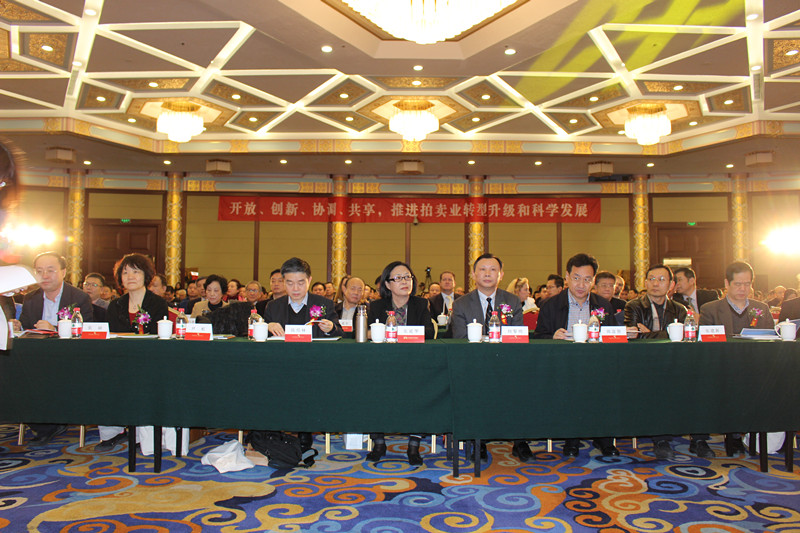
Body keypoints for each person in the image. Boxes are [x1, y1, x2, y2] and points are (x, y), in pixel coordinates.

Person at [533, 253, 618, 458]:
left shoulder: (603, 305)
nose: (581, 284)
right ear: (567, 277)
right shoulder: (550, 305)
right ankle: (571, 438)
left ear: (593, 281)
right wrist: (552, 337)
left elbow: (612, 337)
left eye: (587, 279)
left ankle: (603, 437)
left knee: (607, 384)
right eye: (576, 278)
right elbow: (539, 337)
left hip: (596, 363)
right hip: (562, 364)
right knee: (571, 385)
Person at [450, 253, 528, 462]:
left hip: (507, 363)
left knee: (523, 382)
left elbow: (518, 335)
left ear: (500, 275)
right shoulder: (461, 303)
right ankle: (479, 440)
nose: (487, 273)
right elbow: (460, 338)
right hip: (474, 364)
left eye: (493, 269)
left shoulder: (512, 301)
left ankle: (520, 440)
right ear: (473, 274)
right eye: (482, 269)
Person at [262, 257, 342, 452]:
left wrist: (331, 328)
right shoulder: (273, 306)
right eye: (290, 283)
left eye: (300, 282)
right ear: (283, 282)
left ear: (309, 280)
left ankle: (305, 431)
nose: (295, 288)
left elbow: (340, 332)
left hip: (313, 365)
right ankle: (275, 431)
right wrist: (266, 326)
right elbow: (259, 337)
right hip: (281, 365)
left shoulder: (323, 303)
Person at [18, 251, 94, 446]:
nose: (44, 275)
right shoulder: (31, 298)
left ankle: (48, 424)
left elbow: (85, 331)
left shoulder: (79, 297)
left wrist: (55, 329)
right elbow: (26, 327)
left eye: (50, 270)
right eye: (39, 271)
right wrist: (17, 326)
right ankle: (44, 422)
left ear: (63, 272)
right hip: (36, 357)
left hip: (68, 357)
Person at [100, 254, 172, 452]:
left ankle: (143, 435)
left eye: (135, 271)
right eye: (125, 273)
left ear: (146, 275)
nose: (130, 276)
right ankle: (112, 432)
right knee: (103, 378)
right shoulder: (115, 305)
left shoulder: (157, 303)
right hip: (120, 360)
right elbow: (111, 336)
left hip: (150, 361)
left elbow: (159, 337)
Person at [366, 261, 434, 465]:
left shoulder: (421, 304)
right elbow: (364, 332)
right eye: (398, 278)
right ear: (387, 284)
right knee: (371, 388)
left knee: (422, 390)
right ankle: (379, 442)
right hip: (382, 365)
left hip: (414, 364)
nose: (405, 281)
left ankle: (414, 445)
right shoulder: (377, 306)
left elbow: (429, 332)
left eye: (408, 277)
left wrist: (397, 333)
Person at [624, 264, 687, 339]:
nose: (655, 284)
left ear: (671, 285)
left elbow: (683, 335)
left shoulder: (679, 310)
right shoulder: (634, 306)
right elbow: (633, 336)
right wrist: (669, 334)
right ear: (646, 284)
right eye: (651, 279)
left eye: (661, 279)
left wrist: (649, 334)